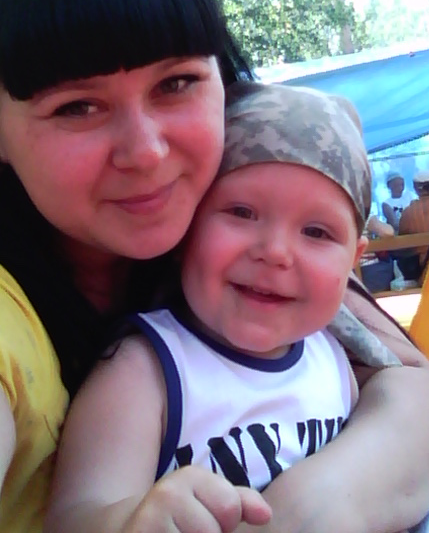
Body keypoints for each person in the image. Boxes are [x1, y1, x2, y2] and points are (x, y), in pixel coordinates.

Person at [0, 0, 429, 532]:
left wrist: (299, 511)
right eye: (76, 106)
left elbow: (420, 401)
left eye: (176, 83)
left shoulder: (247, 212)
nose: (146, 151)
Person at [44, 82, 371, 531]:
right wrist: (136, 520)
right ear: (185, 231)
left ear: (355, 259)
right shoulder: (144, 371)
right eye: (241, 212)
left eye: (317, 233)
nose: (275, 252)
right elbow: (74, 517)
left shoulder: (333, 361)